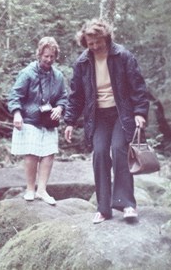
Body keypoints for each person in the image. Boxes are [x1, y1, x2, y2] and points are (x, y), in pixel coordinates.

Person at [64, 19, 149, 223]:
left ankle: (127, 204)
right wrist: (69, 121)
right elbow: (76, 96)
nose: (94, 46)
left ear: (106, 37)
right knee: (100, 153)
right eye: (89, 43)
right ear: (85, 42)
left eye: (97, 42)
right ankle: (103, 208)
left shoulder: (123, 56)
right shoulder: (83, 63)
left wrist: (140, 112)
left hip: (122, 113)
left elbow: (138, 87)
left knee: (119, 149)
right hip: (98, 116)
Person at [8, 37, 68, 205]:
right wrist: (17, 113)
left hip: (49, 120)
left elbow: (63, 97)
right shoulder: (27, 73)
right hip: (30, 119)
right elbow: (15, 95)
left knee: (49, 154)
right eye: (46, 56)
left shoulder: (58, 76)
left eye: (52, 57)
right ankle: (30, 189)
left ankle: (42, 190)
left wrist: (60, 108)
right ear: (39, 54)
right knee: (32, 153)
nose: (48, 60)